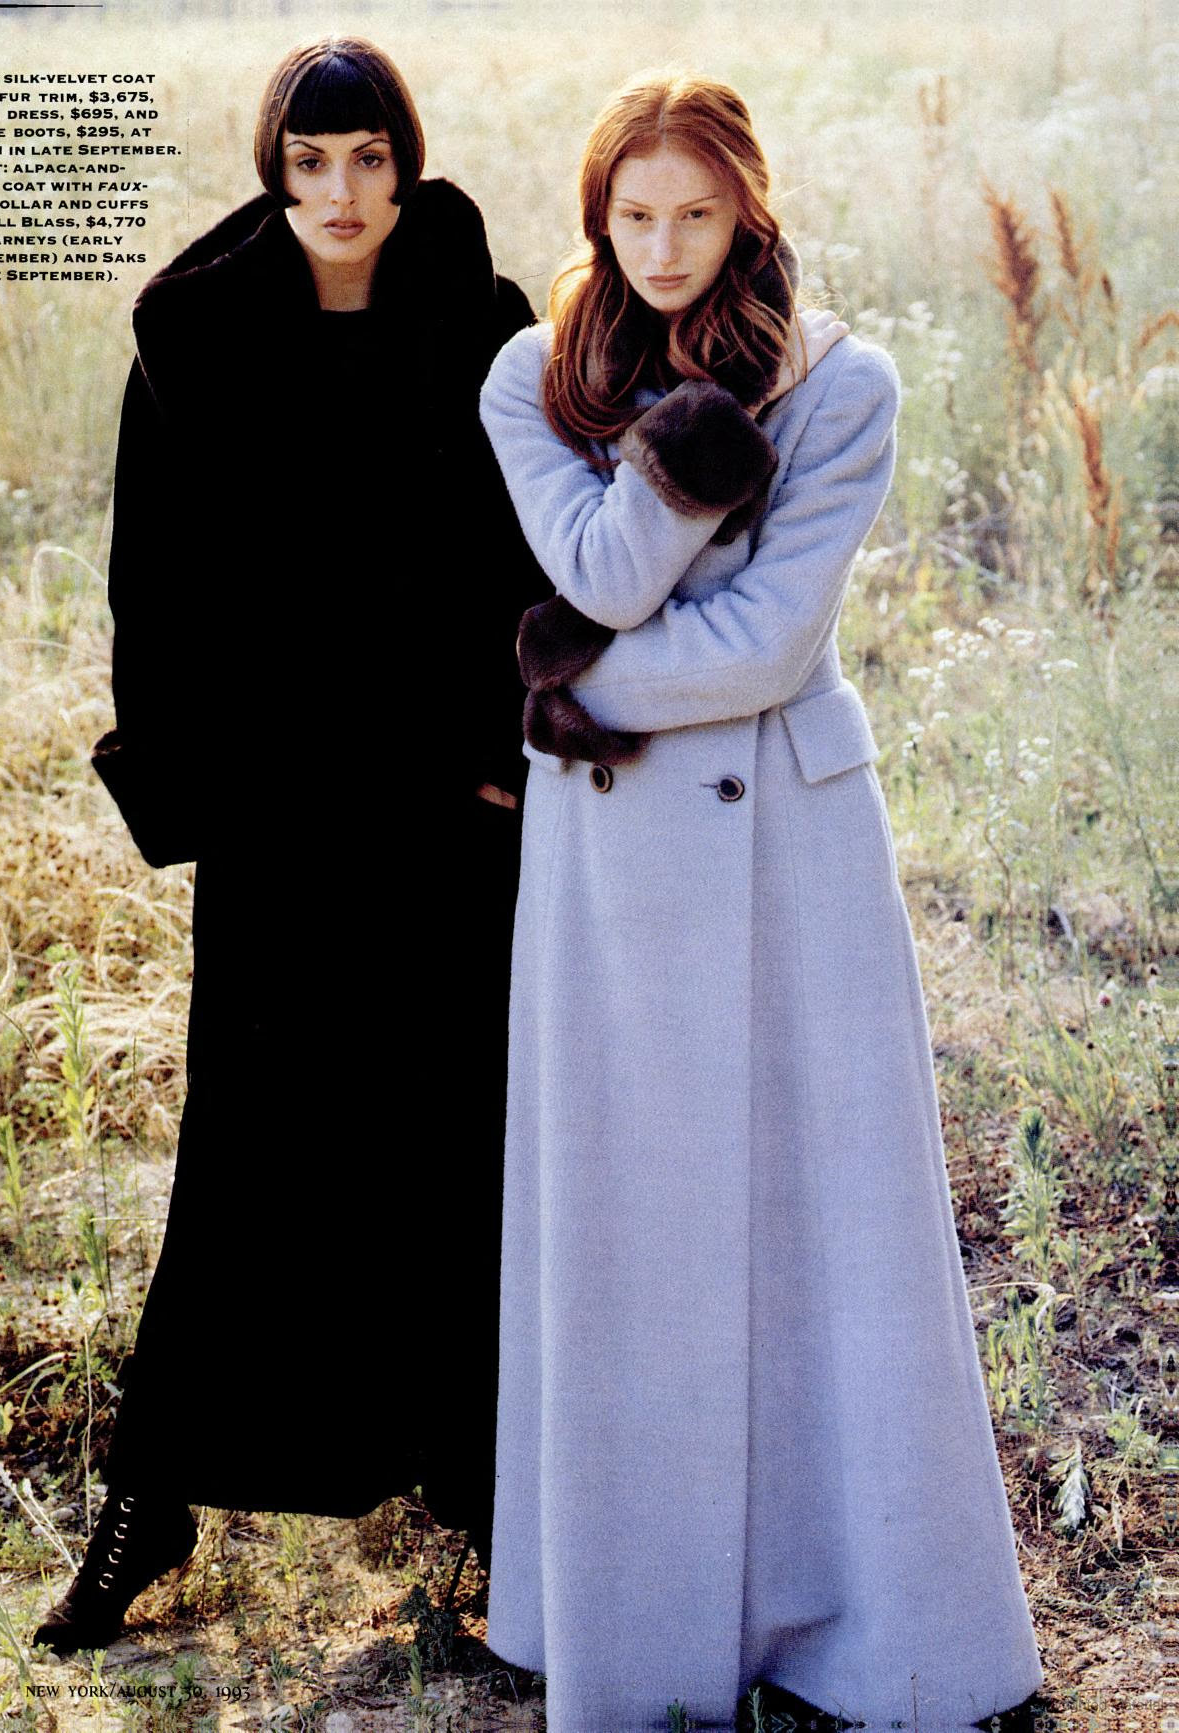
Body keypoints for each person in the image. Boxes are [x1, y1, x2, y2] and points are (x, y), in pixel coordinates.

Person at [477, 71, 1045, 1733]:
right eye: (633, 216)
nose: (664, 249)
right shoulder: (529, 377)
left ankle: (863, 1618)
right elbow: (598, 574)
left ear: (749, 211)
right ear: (597, 217)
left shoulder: (843, 383)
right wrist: (676, 462)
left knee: (829, 1223)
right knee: (629, 1221)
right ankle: (641, 1627)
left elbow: (769, 646)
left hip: (789, 851)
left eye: (698, 214)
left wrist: (568, 686)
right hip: (607, 855)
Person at [34, 36, 546, 1654]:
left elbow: (533, 555)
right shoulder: (193, 340)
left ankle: (481, 1492)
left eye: (369, 159)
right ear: (275, 170)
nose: (342, 192)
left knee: (454, 1145)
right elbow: (150, 585)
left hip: (444, 818)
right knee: (249, 1155)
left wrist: (504, 758)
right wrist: (198, 789)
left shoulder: (484, 321)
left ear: (407, 163)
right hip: (281, 816)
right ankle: (154, 1494)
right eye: (311, 162)